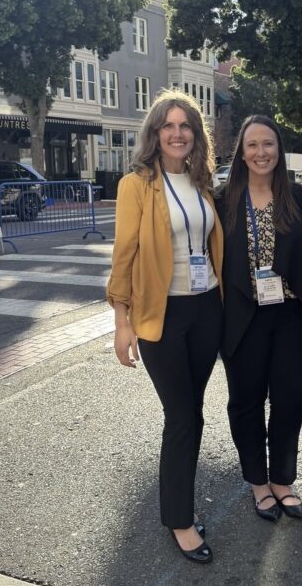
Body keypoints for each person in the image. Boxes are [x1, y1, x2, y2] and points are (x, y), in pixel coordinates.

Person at [106, 89, 223, 564]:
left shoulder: (203, 182)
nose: (177, 133)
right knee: (181, 416)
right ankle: (179, 519)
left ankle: (180, 505)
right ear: (155, 134)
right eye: (168, 126)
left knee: (192, 412)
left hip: (207, 309)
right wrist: (121, 321)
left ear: (196, 134)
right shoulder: (136, 185)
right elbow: (124, 255)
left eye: (185, 126)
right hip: (162, 314)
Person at [216, 115, 302, 523]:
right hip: (243, 317)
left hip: (292, 316)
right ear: (241, 153)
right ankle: (258, 481)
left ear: (279, 150)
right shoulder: (223, 200)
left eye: (268, 144)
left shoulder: (297, 197)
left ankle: (282, 479)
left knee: (290, 399)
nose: (260, 152)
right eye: (252, 145)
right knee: (246, 402)